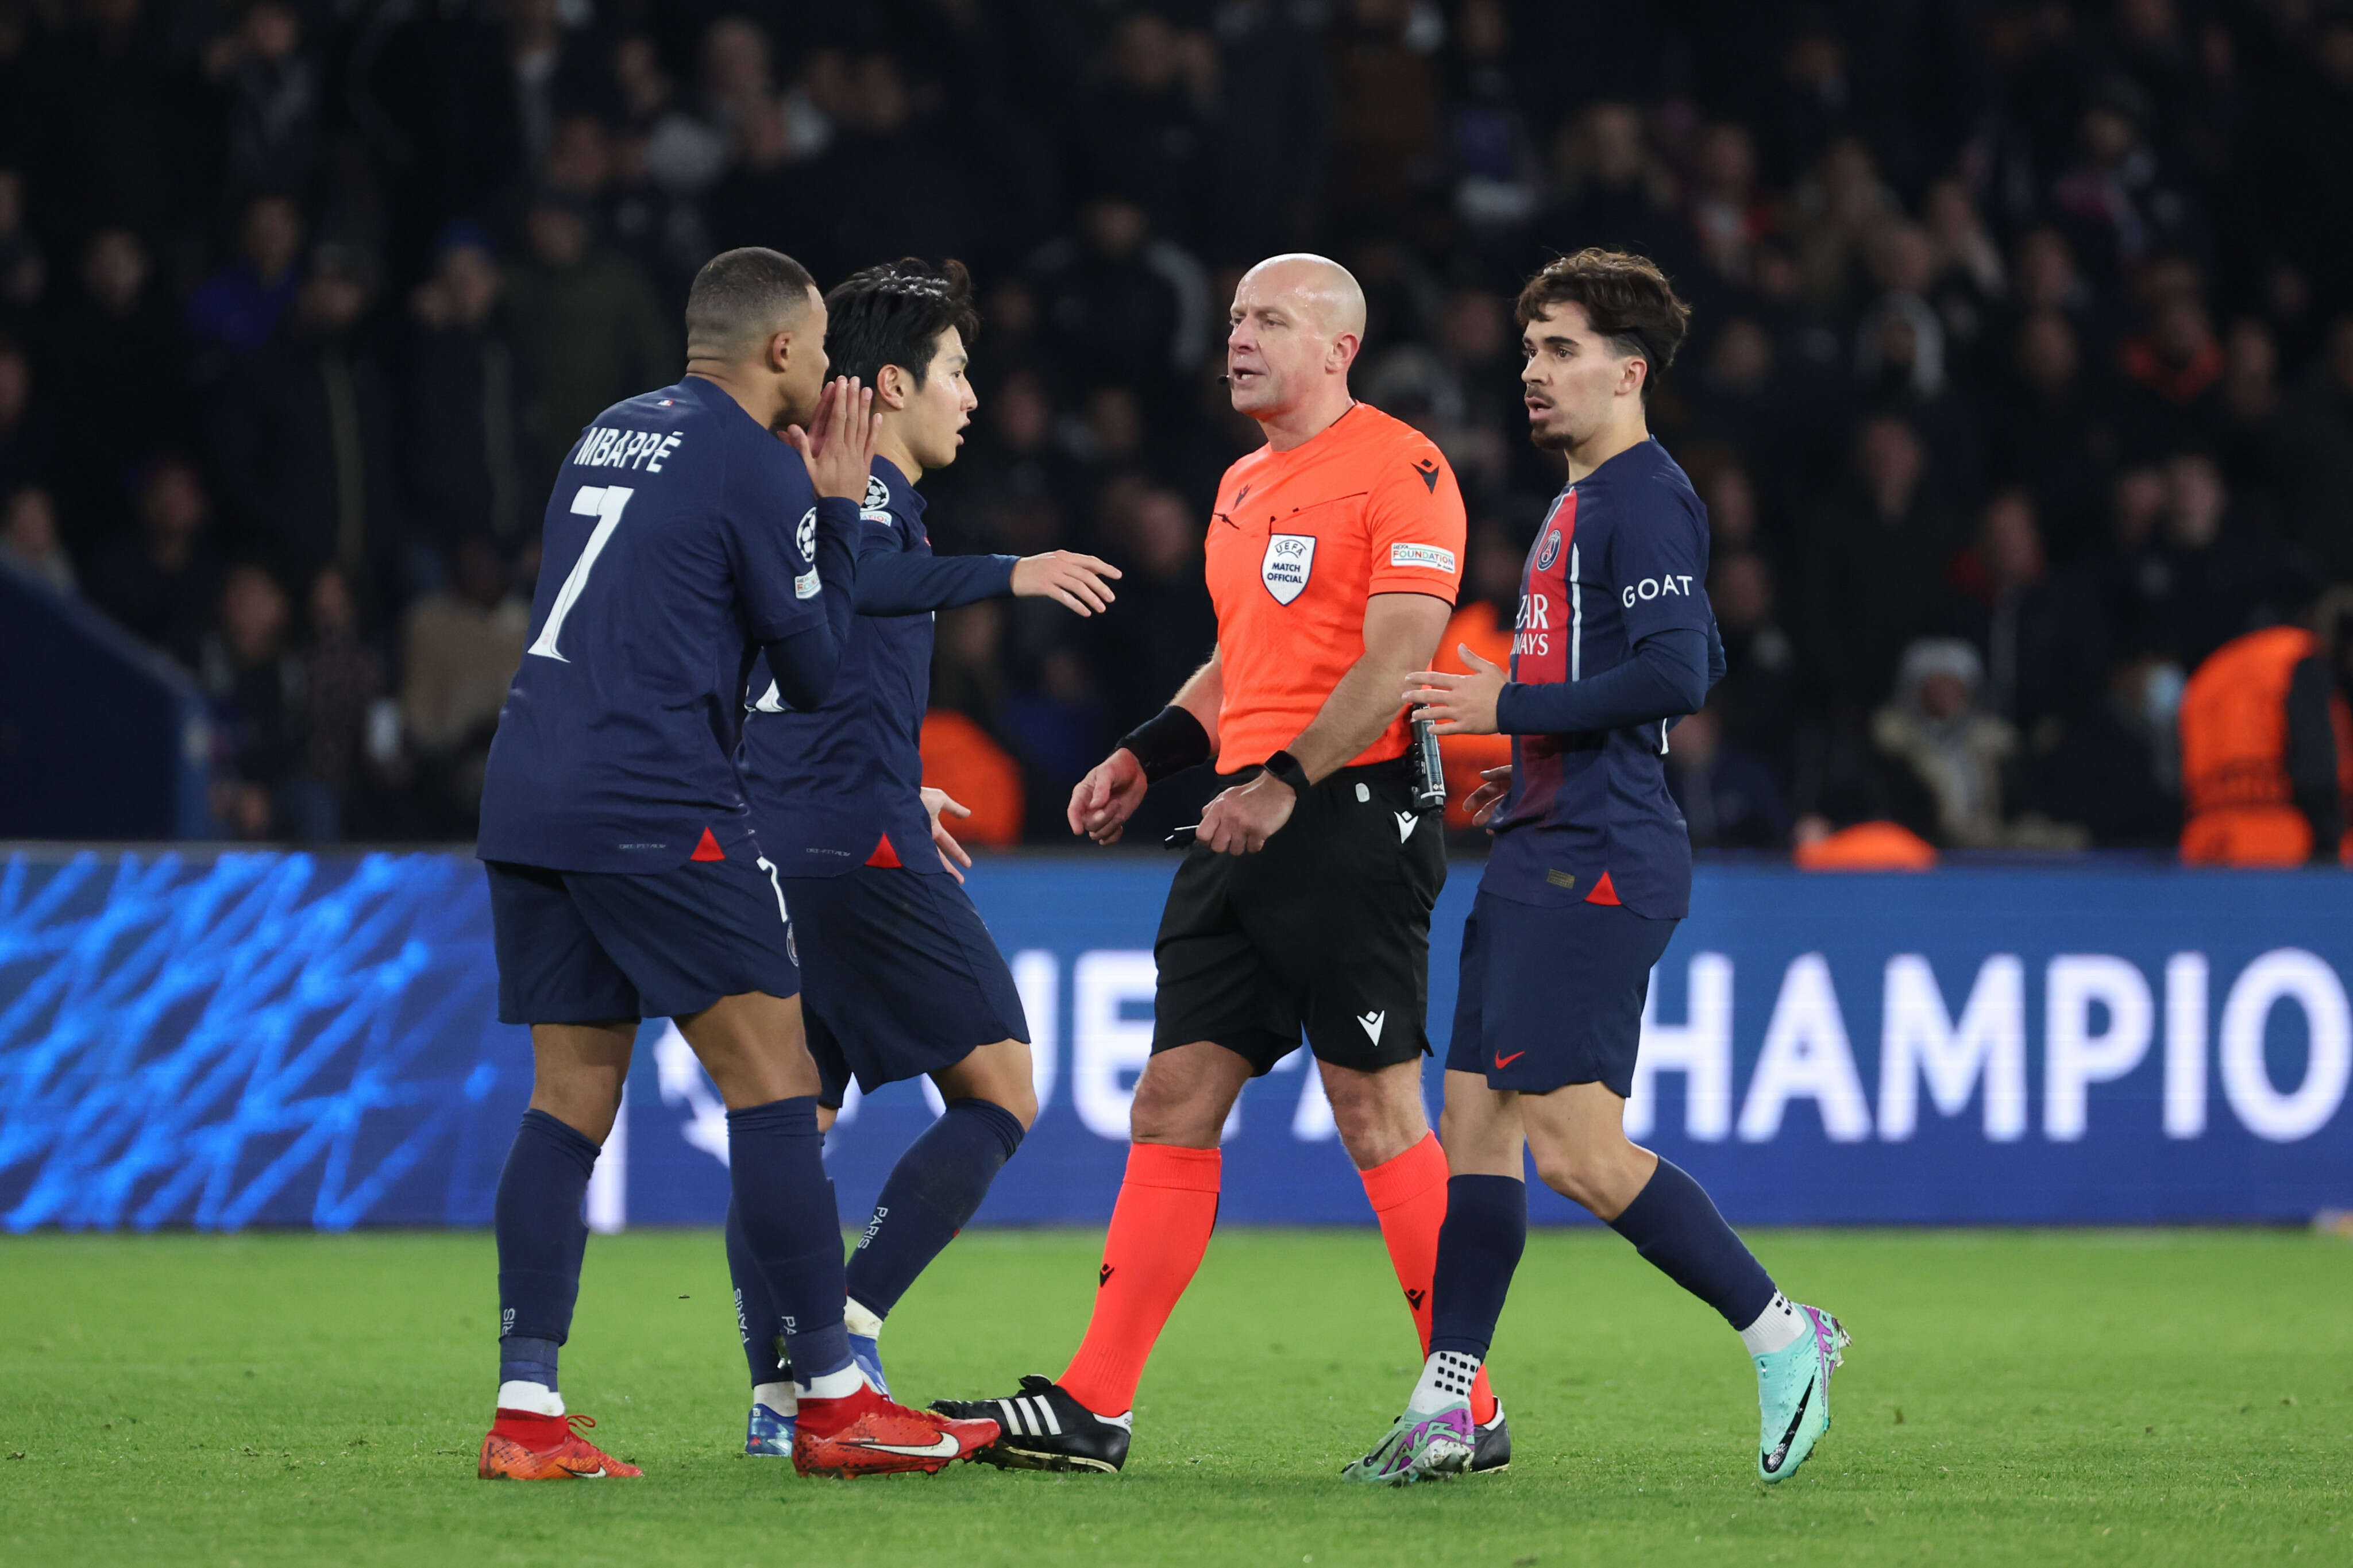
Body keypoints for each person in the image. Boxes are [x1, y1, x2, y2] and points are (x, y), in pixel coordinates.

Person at [934, 253, 1499, 1474]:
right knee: (1173, 1098)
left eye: (1271, 321)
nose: (1238, 338)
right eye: (1236, 317)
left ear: (1339, 348)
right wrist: (1149, 756)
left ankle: (1470, 1405)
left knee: (1373, 1102)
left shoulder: (1403, 472)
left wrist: (1283, 783)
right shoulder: (1244, 481)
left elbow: (1399, 660)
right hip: (1246, 815)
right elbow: (1241, 661)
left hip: (1346, 817)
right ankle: (1095, 1404)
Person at [469, 246, 998, 1482]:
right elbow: (813, 673)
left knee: (565, 1106)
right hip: (659, 803)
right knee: (774, 1087)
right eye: (818, 351)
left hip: (528, 792)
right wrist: (827, 503)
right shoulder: (755, 463)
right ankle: (829, 1398)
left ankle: (527, 1409)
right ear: (776, 350)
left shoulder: (609, 432)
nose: (828, 374)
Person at [1344, 249, 1847, 1486]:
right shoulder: (1581, 502)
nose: (1532, 372)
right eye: (1527, 350)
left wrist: (1506, 707)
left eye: (1559, 350)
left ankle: (1785, 1334)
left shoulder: (1640, 495)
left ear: (1629, 372)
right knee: (1471, 1124)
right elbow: (1694, 655)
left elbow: (1678, 674)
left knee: (1571, 1148)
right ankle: (1449, 1406)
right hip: (1546, 839)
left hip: (1601, 858)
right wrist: (1547, 755)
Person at [722, 257, 1123, 1454]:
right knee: (1000, 1087)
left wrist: (901, 776)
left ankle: (781, 1394)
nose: (973, 397)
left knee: (791, 1117)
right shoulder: (866, 500)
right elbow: (874, 583)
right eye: (956, 371)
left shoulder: (797, 496)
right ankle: (842, 1327)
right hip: (852, 837)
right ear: (890, 385)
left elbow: (799, 658)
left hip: (791, 827)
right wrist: (1017, 571)